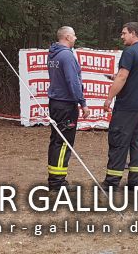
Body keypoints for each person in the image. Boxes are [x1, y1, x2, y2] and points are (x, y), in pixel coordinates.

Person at [102, 22, 138, 188]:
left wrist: (109, 98)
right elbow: (137, 76)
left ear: (133, 33)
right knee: (137, 142)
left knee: (119, 141)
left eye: (124, 33)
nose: (122, 36)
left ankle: (112, 182)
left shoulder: (130, 52)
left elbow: (123, 77)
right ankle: (134, 182)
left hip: (128, 105)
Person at [46, 26, 89, 191]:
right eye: (74, 35)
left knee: (56, 141)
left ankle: (54, 178)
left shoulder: (53, 54)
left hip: (55, 103)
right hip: (66, 105)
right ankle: (57, 182)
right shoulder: (67, 56)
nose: (75, 38)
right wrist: (82, 103)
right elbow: (73, 81)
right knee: (64, 142)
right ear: (67, 37)